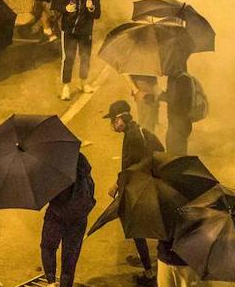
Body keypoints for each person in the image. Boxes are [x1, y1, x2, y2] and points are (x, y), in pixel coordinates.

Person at [105, 99, 164, 282]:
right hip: (143, 183)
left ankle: (149, 273)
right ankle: (146, 261)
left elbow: (135, 163)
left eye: (113, 120)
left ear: (121, 119)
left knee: (136, 226)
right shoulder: (136, 130)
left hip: (137, 186)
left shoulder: (132, 136)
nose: (112, 125)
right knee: (139, 225)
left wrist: (117, 183)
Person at [40, 151, 95, 287]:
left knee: (48, 247)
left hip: (56, 214)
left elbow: (45, 191)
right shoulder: (80, 159)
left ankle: (51, 282)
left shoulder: (50, 163)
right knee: (70, 258)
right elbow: (90, 186)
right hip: (78, 217)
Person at [54, 0, 100, 100]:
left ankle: (83, 83)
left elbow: (97, 14)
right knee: (69, 58)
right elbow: (55, 5)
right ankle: (66, 87)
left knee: (85, 57)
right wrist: (66, 8)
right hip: (69, 31)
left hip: (85, 31)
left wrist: (91, 8)